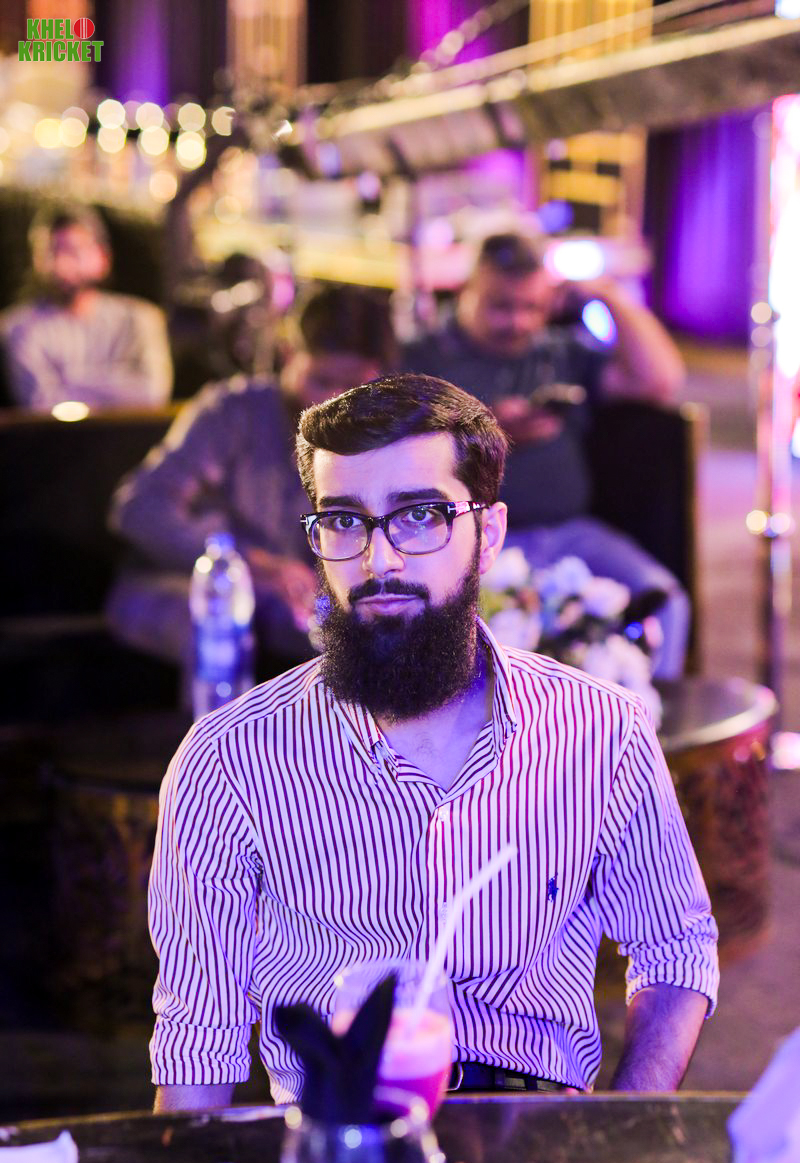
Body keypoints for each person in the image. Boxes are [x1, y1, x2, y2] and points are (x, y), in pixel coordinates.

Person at [149, 373, 718, 1113]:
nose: (379, 561)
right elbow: (200, 1035)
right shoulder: (229, 759)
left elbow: (675, 948)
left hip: (534, 1122)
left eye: (419, 516)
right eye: (344, 520)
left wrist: (623, 1129)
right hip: (343, 1132)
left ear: (490, 535)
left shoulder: (598, 729)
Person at [404, 232, 690, 678]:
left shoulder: (560, 352)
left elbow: (661, 380)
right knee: (509, 630)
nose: (517, 322)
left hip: (572, 533)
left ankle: (646, 719)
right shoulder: (425, 356)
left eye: (531, 307)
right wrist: (485, 429)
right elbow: (400, 455)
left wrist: (605, 295)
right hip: (477, 538)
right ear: (465, 292)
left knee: (665, 600)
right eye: (500, 306)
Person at [107, 283, 398, 672]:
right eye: (321, 380)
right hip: (178, 584)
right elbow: (139, 509)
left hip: (296, 604)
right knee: (220, 617)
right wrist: (253, 563)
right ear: (289, 353)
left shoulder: (380, 431)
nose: (335, 400)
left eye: (353, 387)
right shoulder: (233, 411)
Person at [0, 202, 172, 412]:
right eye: (52, 251)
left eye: (74, 250)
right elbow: (41, 402)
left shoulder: (140, 319)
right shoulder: (18, 327)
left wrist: (68, 380)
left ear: (103, 256)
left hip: (130, 433)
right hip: (55, 434)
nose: (62, 263)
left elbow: (152, 392)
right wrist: (117, 383)